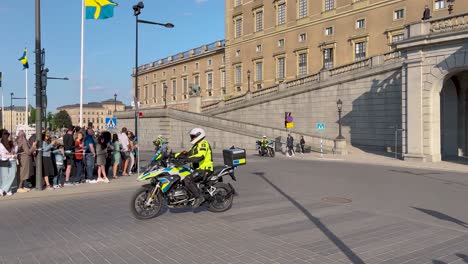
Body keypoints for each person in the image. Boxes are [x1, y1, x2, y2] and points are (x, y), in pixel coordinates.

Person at [176, 128, 213, 208]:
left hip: (204, 170)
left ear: (199, 136)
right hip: (197, 169)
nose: (192, 138)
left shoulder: (203, 144)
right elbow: (188, 154)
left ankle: (199, 197)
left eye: (193, 136)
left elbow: (200, 157)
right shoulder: (195, 146)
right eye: (191, 136)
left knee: (188, 179)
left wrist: (186, 160)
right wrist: (174, 155)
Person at [0, 129, 17, 196]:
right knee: (7, 176)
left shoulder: (9, 142)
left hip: (11, 160)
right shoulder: (1, 144)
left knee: (9, 176)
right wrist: (11, 155)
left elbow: (14, 150)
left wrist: (14, 149)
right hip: (5, 161)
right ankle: (4, 189)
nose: (8, 136)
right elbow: (3, 154)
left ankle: (6, 189)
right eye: (7, 135)